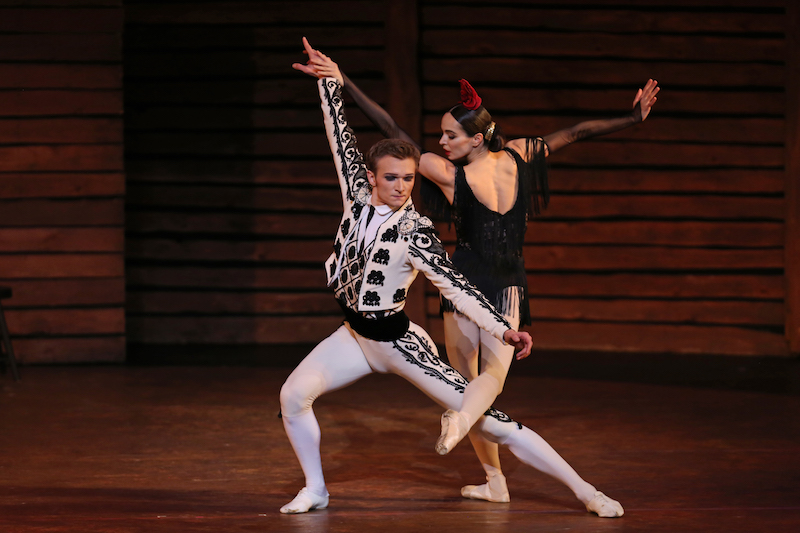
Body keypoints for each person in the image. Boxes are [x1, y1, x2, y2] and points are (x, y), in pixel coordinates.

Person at [293, 38, 658, 503]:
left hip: (493, 285)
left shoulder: (455, 172)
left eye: (449, 136)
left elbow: (393, 128)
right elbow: (577, 132)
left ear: (476, 136)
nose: (441, 143)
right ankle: (494, 480)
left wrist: (345, 83)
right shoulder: (512, 156)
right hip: (470, 280)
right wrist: (630, 119)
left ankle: (465, 422)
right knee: (474, 386)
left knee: (483, 389)